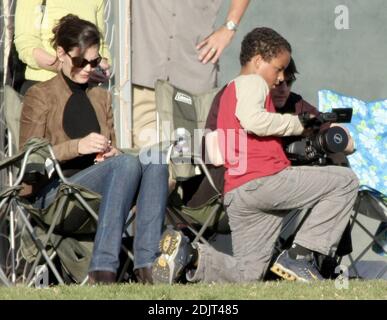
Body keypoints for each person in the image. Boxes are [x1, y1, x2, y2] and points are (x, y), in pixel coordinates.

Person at [152, 27, 359, 284]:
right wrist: (298, 124)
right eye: (278, 69)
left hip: (238, 194)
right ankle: (301, 256)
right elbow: (254, 121)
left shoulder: (230, 90)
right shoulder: (252, 82)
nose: (280, 78)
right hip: (263, 180)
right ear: (258, 60)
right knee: (345, 181)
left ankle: (191, 254)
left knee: (248, 274)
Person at [19, 15, 168, 284]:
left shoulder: (100, 96)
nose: (88, 68)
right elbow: (29, 157)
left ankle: (148, 265)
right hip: (55, 195)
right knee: (126, 164)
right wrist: (78, 146)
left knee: (154, 159)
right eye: (80, 61)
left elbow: (112, 158)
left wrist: (113, 153)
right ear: (61, 53)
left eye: (95, 61)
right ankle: (102, 269)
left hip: (98, 189)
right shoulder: (39, 95)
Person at [131, 0, 250, 148]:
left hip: (194, 73)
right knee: (149, 155)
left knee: (187, 158)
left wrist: (229, 28)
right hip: (146, 71)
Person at [14, 0, 111, 95]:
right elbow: (26, 45)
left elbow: (100, 44)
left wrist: (99, 66)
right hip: (45, 87)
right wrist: (69, 67)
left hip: (84, 90)